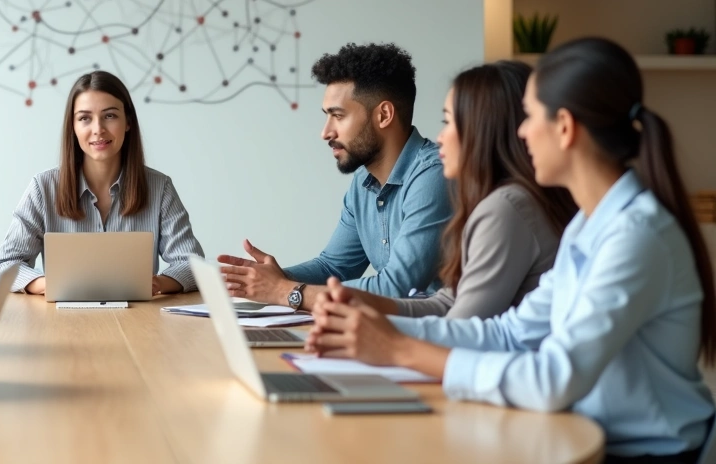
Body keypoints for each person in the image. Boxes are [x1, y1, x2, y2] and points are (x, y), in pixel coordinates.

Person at [307, 37, 716, 462]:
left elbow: (554, 378)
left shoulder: (635, 236)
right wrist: (375, 330)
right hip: (585, 437)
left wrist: (397, 348)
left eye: (530, 116)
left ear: (564, 127)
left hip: (646, 454)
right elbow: (509, 332)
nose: (520, 131)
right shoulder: (589, 226)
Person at [323, 61, 576, 319]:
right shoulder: (500, 201)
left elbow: (461, 326)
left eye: (448, 121)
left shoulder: (505, 207)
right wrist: (362, 312)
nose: (440, 137)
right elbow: (447, 302)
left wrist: (318, 299)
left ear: (483, 129)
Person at [217, 43, 451, 308]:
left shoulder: (435, 176)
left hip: (445, 330)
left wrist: (283, 290)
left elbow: (396, 287)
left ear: (384, 115)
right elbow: (334, 267)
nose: (325, 132)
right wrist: (266, 280)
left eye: (338, 116)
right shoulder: (363, 183)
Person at [0, 70, 205, 295]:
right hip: (62, 315)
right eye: (85, 118)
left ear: (128, 122)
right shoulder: (43, 188)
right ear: (73, 126)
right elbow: (5, 266)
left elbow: (192, 265)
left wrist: (158, 284)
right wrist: (51, 284)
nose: (98, 129)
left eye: (110, 116)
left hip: (137, 315)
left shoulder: (160, 188)